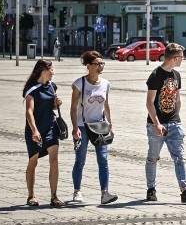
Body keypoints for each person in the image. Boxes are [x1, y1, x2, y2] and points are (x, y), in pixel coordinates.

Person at [144, 43, 186, 203]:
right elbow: (149, 102)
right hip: (157, 125)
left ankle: (185, 191)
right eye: (182, 57)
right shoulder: (156, 75)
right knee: (153, 158)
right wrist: (156, 123)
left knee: (180, 157)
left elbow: (178, 98)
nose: (183, 59)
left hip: (174, 123)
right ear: (175, 58)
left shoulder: (177, 75)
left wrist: (176, 118)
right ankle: (151, 189)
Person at [70, 51, 117, 205]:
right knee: (80, 161)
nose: (100, 66)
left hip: (100, 126)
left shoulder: (105, 84)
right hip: (82, 126)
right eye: (97, 64)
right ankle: (77, 191)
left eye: (102, 63)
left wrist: (110, 124)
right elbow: (73, 108)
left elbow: (106, 105)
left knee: (103, 160)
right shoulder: (79, 84)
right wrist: (75, 127)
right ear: (88, 66)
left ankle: (105, 193)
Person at [23, 59, 64, 207]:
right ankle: (31, 196)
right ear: (45, 70)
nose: (54, 72)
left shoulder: (52, 87)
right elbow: (29, 112)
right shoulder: (31, 90)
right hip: (35, 130)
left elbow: (50, 107)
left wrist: (56, 102)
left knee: (54, 160)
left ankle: (54, 196)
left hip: (51, 128)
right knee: (33, 162)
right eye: (52, 69)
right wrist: (34, 130)